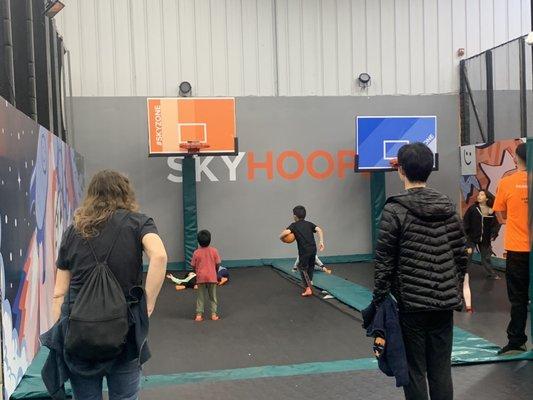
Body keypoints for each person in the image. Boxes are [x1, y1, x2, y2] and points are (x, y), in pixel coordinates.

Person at [46, 170, 167, 400]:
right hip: (124, 331)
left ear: (91, 196)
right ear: (125, 193)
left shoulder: (73, 231)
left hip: (79, 335)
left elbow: (59, 293)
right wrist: (147, 305)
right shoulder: (139, 223)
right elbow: (159, 257)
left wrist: (61, 333)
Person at [373, 143, 467, 400]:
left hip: (410, 306)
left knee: (414, 370)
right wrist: (453, 290)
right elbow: (460, 255)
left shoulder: (394, 210)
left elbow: (384, 262)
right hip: (444, 304)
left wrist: (378, 302)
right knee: (441, 369)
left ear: (400, 171)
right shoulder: (448, 207)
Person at [493, 142, 530, 355]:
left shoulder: (506, 183)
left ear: (516, 159)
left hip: (517, 249)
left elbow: (500, 215)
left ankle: (517, 340)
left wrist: (515, 220)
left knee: (518, 298)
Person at [462, 190, 501, 313]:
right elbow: (465, 222)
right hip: (472, 237)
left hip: (484, 239)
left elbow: (496, 224)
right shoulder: (473, 209)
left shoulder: (491, 211)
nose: (479, 196)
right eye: (478, 195)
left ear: (487, 198)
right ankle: (463, 273)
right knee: (467, 256)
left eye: (482, 194)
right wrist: (465, 235)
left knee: (486, 257)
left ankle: (491, 273)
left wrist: (493, 234)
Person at [279, 206, 325, 297]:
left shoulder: (294, 225)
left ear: (295, 216)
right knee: (311, 266)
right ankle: (310, 281)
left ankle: (308, 288)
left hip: (304, 251)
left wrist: (280, 237)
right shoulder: (309, 224)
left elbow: (286, 233)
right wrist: (321, 241)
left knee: (302, 268)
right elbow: (319, 229)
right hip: (313, 249)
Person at [191, 230, 222, 321]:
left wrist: (197, 273)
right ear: (210, 240)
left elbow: (193, 265)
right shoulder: (214, 251)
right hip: (212, 277)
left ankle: (199, 315)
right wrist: (215, 271)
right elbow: (217, 264)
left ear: (198, 241)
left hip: (200, 278)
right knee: (213, 297)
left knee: (200, 297)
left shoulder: (196, 252)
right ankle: (213, 315)